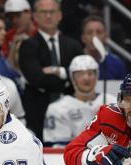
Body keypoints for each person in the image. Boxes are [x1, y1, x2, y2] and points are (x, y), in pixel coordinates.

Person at [18, 0, 83, 139]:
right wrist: (67, 78)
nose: (48, 16)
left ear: (59, 15)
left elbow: (81, 76)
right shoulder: (28, 45)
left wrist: (58, 71)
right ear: (35, 16)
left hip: (71, 113)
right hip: (38, 114)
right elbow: (37, 79)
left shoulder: (74, 45)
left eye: (52, 12)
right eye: (43, 12)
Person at [43, 54, 116, 147]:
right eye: (80, 74)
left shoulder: (112, 102)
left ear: (97, 75)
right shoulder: (57, 108)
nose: (86, 78)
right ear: (72, 77)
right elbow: (57, 146)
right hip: (74, 157)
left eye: (90, 73)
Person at [80, 15, 126, 80]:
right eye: (89, 33)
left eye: (98, 32)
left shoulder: (116, 63)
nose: (94, 37)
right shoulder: (75, 62)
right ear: (83, 38)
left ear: (106, 37)